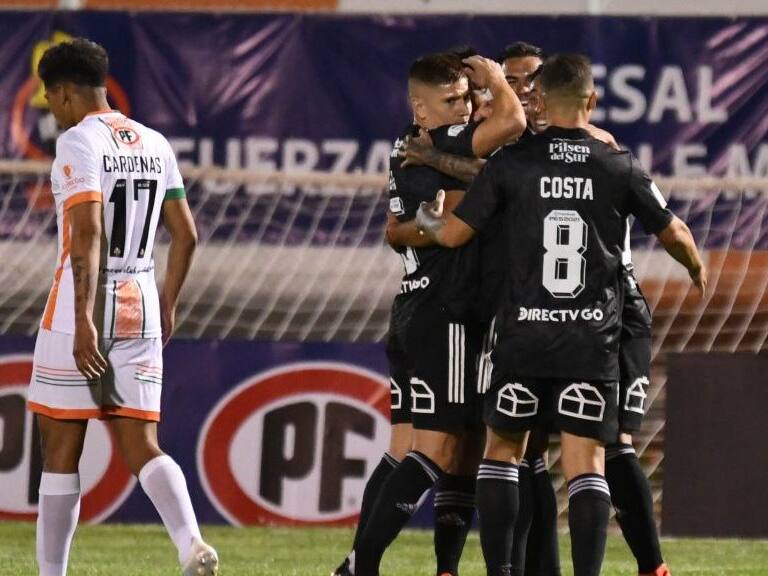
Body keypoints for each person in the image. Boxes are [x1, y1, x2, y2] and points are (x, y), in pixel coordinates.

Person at [415, 53, 706, 576]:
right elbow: (675, 232)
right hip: (589, 340)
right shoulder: (616, 163)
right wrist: (696, 269)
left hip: (524, 331)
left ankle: (501, 571)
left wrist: (429, 221)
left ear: (541, 102)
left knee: (502, 452)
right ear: (591, 101)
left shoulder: (512, 161)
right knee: (587, 464)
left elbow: (455, 234)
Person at [28, 38, 217, 576]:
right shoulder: (155, 143)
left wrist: (83, 316)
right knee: (142, 444)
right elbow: (186, 235)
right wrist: (169, 304)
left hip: (79, 305)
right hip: (141, 299)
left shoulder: (77, 142)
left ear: (64, 93)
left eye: (51, 98)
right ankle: (190, 545)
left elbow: (86, 231)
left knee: (61, 444)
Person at [333, 51, 525, 576]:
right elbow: (512, 126)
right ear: (421, 110)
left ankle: (432, 568)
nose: (464, 107)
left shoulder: (412, 145)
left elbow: (399, 230)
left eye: (467, 96)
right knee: (439, 448)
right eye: (451, 100)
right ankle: (360, 564)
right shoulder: (441, 138)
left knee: (433, 445)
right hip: (448, 310)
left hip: (420, 307)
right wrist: (490, 78)